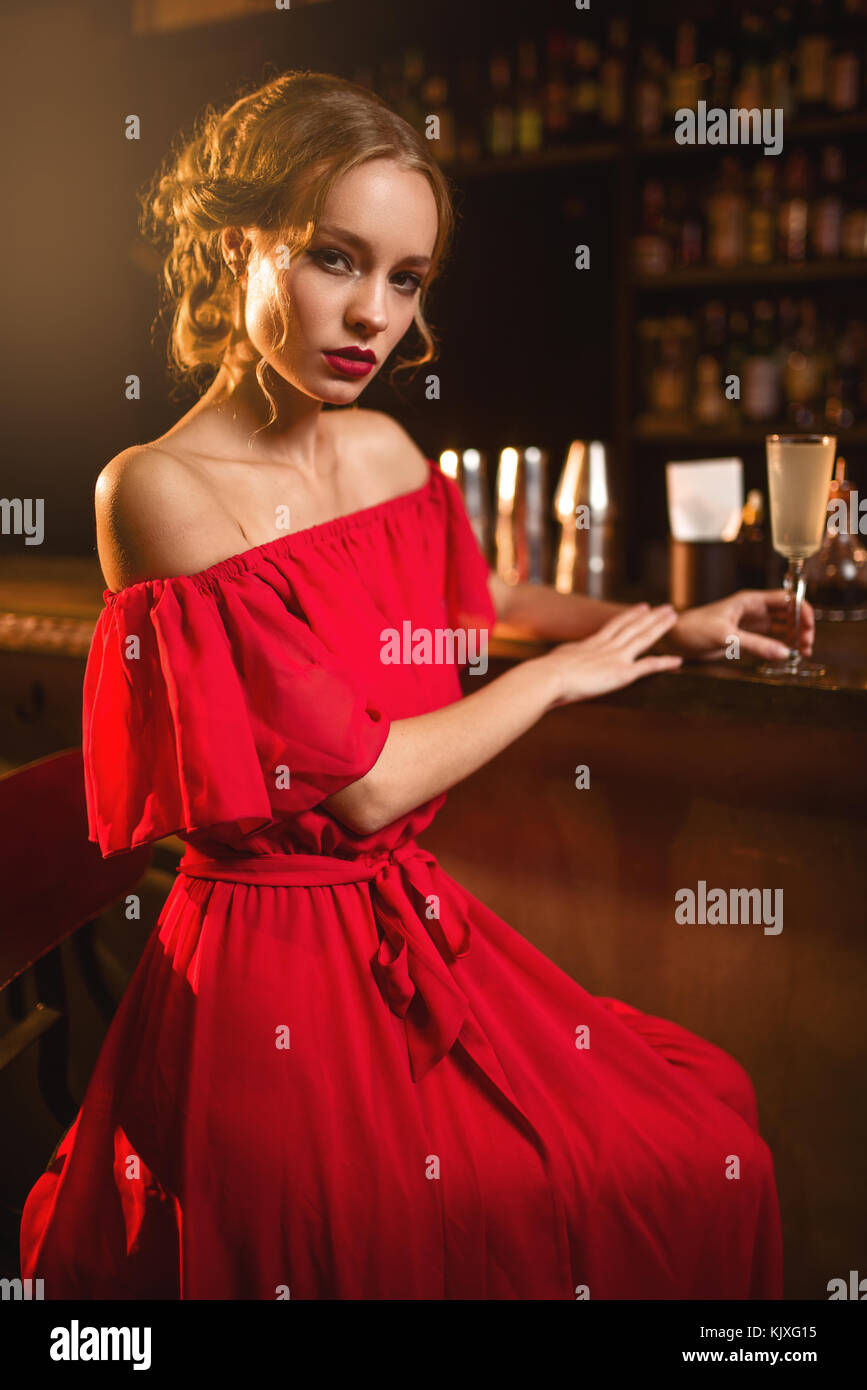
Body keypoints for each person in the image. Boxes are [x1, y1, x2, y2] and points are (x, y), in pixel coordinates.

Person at [20, 71, 803, 1300]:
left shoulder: (382, 447)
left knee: (704, 1141)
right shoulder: (154, 490)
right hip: (265, 972)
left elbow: (486, 597)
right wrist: (561, 686)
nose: (372, 314)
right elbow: (366, 788)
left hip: (408, 934)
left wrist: (670, 627)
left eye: (406, 278)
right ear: (243, 248)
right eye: (337, 259)